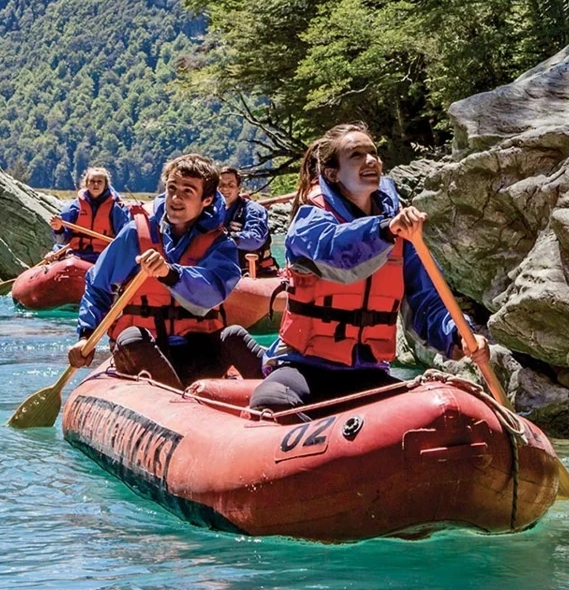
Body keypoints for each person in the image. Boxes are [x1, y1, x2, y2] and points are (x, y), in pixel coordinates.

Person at [249, 123, 487, 411]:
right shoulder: (310, 221)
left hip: (369, 371)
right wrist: (384, 229)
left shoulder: (400, 231)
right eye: (356, 155)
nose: (370, 160)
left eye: (373, 153)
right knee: (270, 402)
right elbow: (337, 255)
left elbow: (428, 301)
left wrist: (456, 333)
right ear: (332, 172)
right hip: (305, 366)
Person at [70, 153, 266, 388]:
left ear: (206, 200)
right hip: (146, 348)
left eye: (187, 191)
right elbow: (97, 284)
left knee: (233, 336)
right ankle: (177, 400)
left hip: (197, 350)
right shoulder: (136, 234)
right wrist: (85, 334)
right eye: (172, 188)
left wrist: (171, 274)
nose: (175, 198)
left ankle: (282, 402)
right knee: (131, 337)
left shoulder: (219, 244)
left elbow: (213, 291)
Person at [49, 166, 127, 264]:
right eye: (92, 181)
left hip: (103, 255)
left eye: (99, 182)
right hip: (77, 253)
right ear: (86, 183)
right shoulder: (75, 206)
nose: (96, 184)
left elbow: (124, 236)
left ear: (105, 185)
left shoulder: (115, 208)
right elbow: (62, 241)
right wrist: (58, 229)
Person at [216, 165, 277, 276]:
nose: (225, 189)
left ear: (239, 188)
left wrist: (229, 236)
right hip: (226, 271)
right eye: (221, 185)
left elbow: (255, 239)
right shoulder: (212, 212)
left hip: (257, 273)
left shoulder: (254, 210)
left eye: (231, 185)